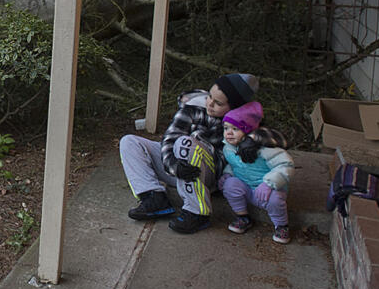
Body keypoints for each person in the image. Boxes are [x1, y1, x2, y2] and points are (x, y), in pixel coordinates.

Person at [119, 73, 259, 232]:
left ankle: (197, 212)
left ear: (234, 107)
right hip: (179, 167)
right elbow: (170, 139)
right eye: (210, 96)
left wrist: (252, 139)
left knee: (185, 143)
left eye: (218, 103)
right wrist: (173, 166)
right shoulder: (194, 107)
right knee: (129, 142)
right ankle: (153, 197)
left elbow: (278, 141)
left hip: (208, 175)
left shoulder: (245, 120)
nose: (210, 104)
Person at [219, 100, 295, 244]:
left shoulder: (265, 148)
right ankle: (243, 217)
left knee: (275, 200)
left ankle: (282, 226)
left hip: (267, 190)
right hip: (246, 186)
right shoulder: (228, 147)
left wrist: (269, 184)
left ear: (248, 131)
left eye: (235, 129)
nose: (228, 133)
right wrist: (227, 174)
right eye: (226, 128)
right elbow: (234, 164)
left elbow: (286, 165)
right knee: (230, 185)